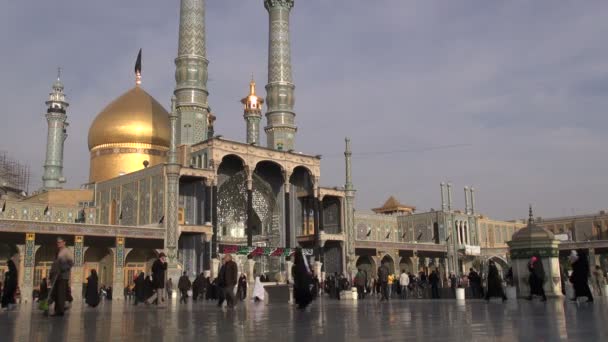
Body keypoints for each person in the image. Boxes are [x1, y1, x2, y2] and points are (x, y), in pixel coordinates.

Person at [47, 236, 74, 316]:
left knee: (61, 294)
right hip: (56, 276)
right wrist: (51, 274)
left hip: (63, 276)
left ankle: (60, 311)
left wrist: (63, 269)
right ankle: (57, 310)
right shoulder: (58, 251)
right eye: (57, 242)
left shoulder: (67, 251)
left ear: (64, 242)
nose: (58, 243)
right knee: (56, 293)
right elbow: (55, 264)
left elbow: (71, 263)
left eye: (60, 242)